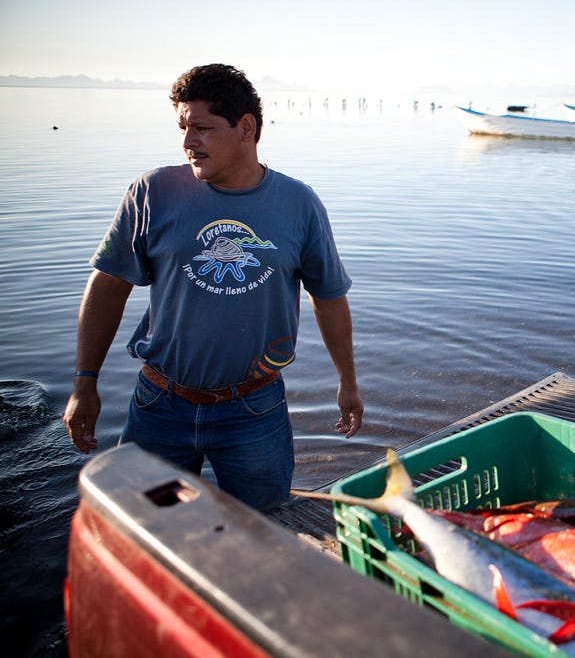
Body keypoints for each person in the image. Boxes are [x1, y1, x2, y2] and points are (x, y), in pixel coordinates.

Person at [62, 64, 363, 509]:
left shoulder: (299, 204)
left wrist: (348, 382)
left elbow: (329, 298)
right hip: (159, 405)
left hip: (254, 411)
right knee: (147, 531)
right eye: (183, 128)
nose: (188, 142)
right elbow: (108, 286)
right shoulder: (152, 192)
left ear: (247, 128)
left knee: (265, 535)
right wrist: (84, 381)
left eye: (201, 128)